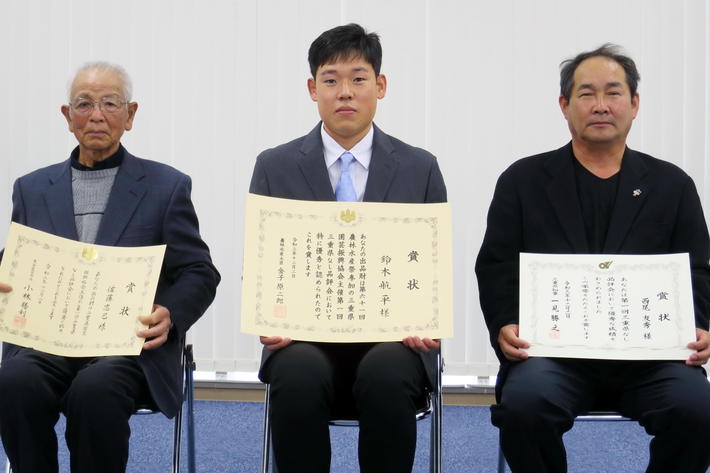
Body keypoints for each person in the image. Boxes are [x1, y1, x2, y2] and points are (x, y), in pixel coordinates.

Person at [475, 43, 710, 473]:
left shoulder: (671, 184)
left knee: (698, 408)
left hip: (651, 359)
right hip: (553, 357)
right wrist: (505, 323)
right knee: (525, 407)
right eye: (586, 94)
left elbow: (699, 270)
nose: (601, 105)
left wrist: (701, 326)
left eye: (614, 93)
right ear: (564, 106)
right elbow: (497, 265)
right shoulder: (523, 181)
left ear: (634, 104)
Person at [0, 62, 220, 473]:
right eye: (84, 104)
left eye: (109, 103)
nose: (96, 115)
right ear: (67, 118)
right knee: (14, 383)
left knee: (94, 391)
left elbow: (199, 271)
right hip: (47, 342)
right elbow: (16, 261)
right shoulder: (31, 189)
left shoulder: (165, 187)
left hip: (124, 347)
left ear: (130, 115)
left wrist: (169, 314)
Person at [249, 23, 446, 473]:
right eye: (330, 79)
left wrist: (428, 320)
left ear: (380, 86)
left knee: (389, 373)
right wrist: (265, 315)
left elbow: (431, 268)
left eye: (358, 79)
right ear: (311, 88)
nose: (345, 92)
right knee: (295, 373)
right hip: (302, 337)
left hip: (392, 339)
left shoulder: (420, 169)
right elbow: (262, 262)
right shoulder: (274, 167)